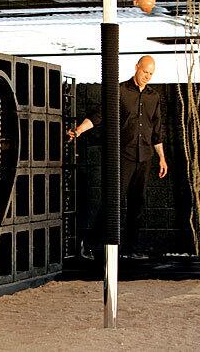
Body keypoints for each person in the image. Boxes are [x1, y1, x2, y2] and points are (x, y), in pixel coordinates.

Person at [67, 55, 168, 258]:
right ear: (136, 67)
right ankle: (90, 244)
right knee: (114, 201)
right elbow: (99, 115)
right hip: (124, 155)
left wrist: (162, 158)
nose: (147, 76)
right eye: (144, 72)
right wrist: (78, 130)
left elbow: (156, 130)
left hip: (145, 156)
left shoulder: (153, 97)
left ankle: (131, 250)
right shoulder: (120, 91)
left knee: (137, 203)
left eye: (150, 73)